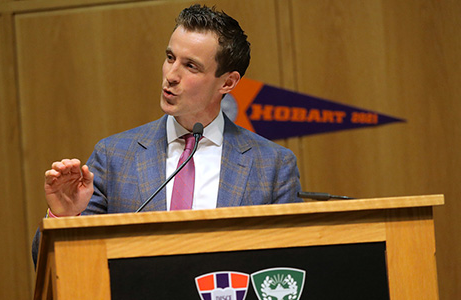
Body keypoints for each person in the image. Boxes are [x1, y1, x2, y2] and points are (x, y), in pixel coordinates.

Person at [33, 4, 302, 265]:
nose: (171, 75)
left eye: (191, 66)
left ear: (228, 82)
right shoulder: (114, 156)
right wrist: (64, 216)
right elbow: (54, 266)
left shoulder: (273, 165)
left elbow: (290, 266)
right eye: (170, 58)